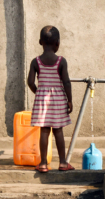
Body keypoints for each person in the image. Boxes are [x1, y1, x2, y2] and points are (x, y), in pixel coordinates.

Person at [27, 26, 75, 173]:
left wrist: (38, 92)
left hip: (42, 100)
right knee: (58, 131)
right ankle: (62, 162)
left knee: (44, 131)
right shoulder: (61, 61)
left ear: (40, 41)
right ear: (58, 43)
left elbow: (29, 82)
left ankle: (42, 163)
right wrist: (69, 100)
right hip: (59, 99)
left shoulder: (36, 61)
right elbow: (66, 82)